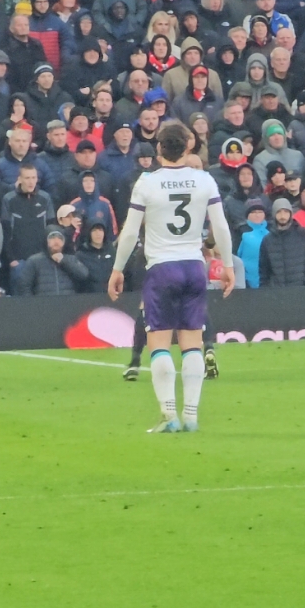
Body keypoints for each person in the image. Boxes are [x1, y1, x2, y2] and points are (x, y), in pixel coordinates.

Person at [107, 121, 235, 434]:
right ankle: (191, 416)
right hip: (194, 266)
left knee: (159, 342)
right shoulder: (203, 179)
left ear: (160, 149)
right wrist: (228, 265)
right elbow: (220, 227)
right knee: (192, 341)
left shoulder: (147, 183)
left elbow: (129, 232)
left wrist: (118, 269)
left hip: (161, 268)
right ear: (188, 147)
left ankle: (169, 416)